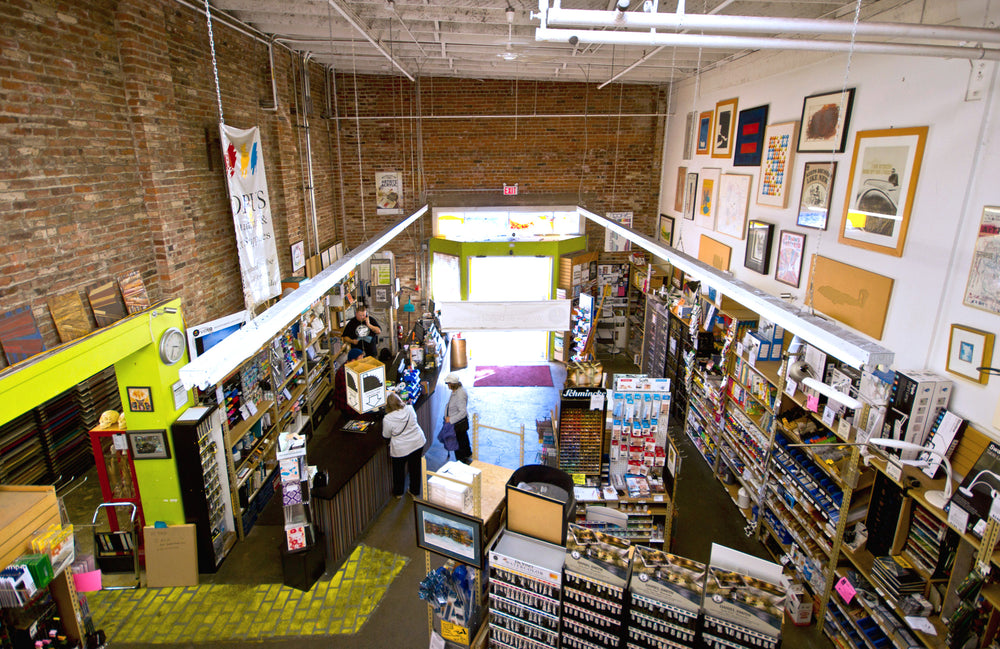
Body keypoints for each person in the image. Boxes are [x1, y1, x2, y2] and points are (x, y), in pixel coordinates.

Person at [382, 391, 427, 497]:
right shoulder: (410, 409)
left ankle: (398, 493)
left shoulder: (387, 419)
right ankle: (414, 491)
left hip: (400, 449)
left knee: (398, 471)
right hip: (417, 442)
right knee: (415, 468)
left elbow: (386, 435)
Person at [444, 372, 472, 464]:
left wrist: (450, 419)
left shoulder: (460, 395)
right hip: (458, 424)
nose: (447, 385)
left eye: (448, 383)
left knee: (459, 444)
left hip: (457, 424)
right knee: (463, 440)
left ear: (452, 384)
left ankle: (461, 461)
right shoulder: (456, 391)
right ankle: (466, 456)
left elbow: (462, 412)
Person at [333, 347, 364, 414]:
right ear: (353, 361)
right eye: (360, 359)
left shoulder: (353, 366)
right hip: (347, 404)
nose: (362, 361)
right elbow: (350, 392)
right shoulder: (343, 373)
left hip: (355, 399)